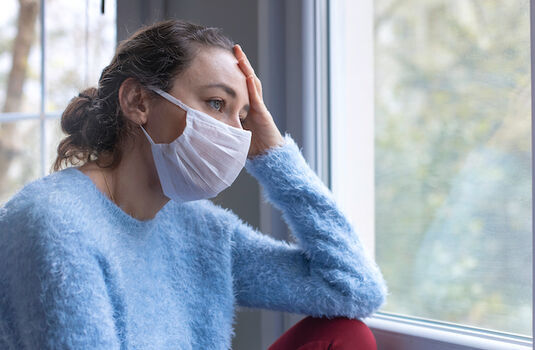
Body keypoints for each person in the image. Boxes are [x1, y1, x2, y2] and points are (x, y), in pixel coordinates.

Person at [0, 19, 387, 349]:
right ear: (138, 101)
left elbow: (355, 289)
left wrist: (273, 154)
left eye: (245, 117)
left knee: (345, 334)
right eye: (217, 103)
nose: (237, 134)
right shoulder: (54, 222)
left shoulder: (201, 229)